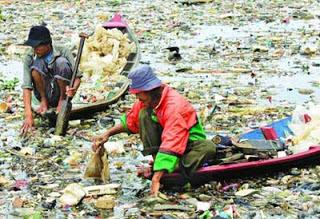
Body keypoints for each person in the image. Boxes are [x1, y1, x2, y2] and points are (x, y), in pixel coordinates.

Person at [92, 65, 216, 196]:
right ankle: (160, 165)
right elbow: (131, 121)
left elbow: (172, 142)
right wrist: (107, 134)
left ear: (151, 90)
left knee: (208, 147)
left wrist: (156, 178)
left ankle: (166, 168)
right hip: (167, 146)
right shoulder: (147, 100)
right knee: (143, 114)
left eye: (141, 98)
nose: (140, 101)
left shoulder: (174, 106)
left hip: (188, 145)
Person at [21, 25, 81, 135]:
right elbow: (26, 87)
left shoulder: (63, 51)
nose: (35, 49)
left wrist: (73, 90)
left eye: (38, 46)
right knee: (35, 67)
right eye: (33, 47)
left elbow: (77, 77)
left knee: (61, 62)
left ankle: (61, 100)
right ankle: (44, 101)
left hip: (63, 91)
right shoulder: (30, 56)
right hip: (44, 92)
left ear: (48, 44)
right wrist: (28, 115)